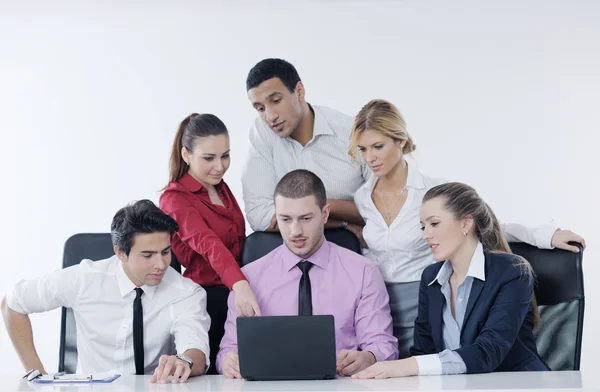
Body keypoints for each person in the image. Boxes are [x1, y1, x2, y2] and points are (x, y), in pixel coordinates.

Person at [350, 99, 586, 358]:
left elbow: (485, 223)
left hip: (426, 300)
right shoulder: (362, 197)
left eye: (378, 146)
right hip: (381, 308)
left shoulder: (432, 192)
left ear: (401, 141)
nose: (370, 157)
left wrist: (545, 235)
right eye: (362, 149)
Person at [353, 182, 549, 378]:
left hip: (517, 385)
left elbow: (489, 352)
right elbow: (424, 352)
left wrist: (405, 366)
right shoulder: (431, 278)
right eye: (423, 227)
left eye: (434, 224)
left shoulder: (511, 271)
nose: (426, 235)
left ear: (465, 223)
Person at [1, 200, 210, 383]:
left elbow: (196, 351)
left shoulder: (186, 292)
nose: (161, 264)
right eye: (148, 255)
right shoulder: (85, 279)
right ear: (120, 253)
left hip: (153, 387)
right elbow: (13, 302)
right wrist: (37, 374)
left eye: (165, 252)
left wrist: (184, 360)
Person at [217, 170, 398, 378]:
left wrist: (369, 357)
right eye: (285, 219)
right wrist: (229, 361)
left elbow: (383, 345)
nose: (295, 231)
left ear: (325, 214)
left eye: (305, 218)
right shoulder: (247, 279)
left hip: (342, 384)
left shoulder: (364, 272)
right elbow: (227, 351)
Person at [159, 113, 261, 374]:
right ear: (186, 155)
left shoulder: (221, 187)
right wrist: (239, 284)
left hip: (237, 293)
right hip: (206, 300)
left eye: (225, 155)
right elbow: (208, 244)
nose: (220, 166)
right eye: (209, 158)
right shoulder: (174, 198)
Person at [241, 58, 369, 243]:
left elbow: (383, 211)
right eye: (260, 108)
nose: (270, 116)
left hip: (358, 250)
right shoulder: (261, 132)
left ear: (299, 91)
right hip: (298, 252)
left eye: (276, 101)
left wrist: (321, 204)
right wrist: (342, 223)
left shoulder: (351, 132)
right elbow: (259, 216)